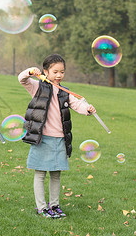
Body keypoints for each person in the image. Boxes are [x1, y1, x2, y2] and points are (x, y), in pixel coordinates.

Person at [19, 54, 96, 219]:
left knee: (56, 174)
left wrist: (87, 109)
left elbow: (77, 104)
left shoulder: (64, 92)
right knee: (40, 173)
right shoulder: (37, 88)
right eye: (55, 71)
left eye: (62, 72)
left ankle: (54, 205)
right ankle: (41, 207)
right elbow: (22, 80)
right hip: (42, 137)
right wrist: (30, 72)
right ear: (45, 71)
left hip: (60, 138)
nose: (59, 75)